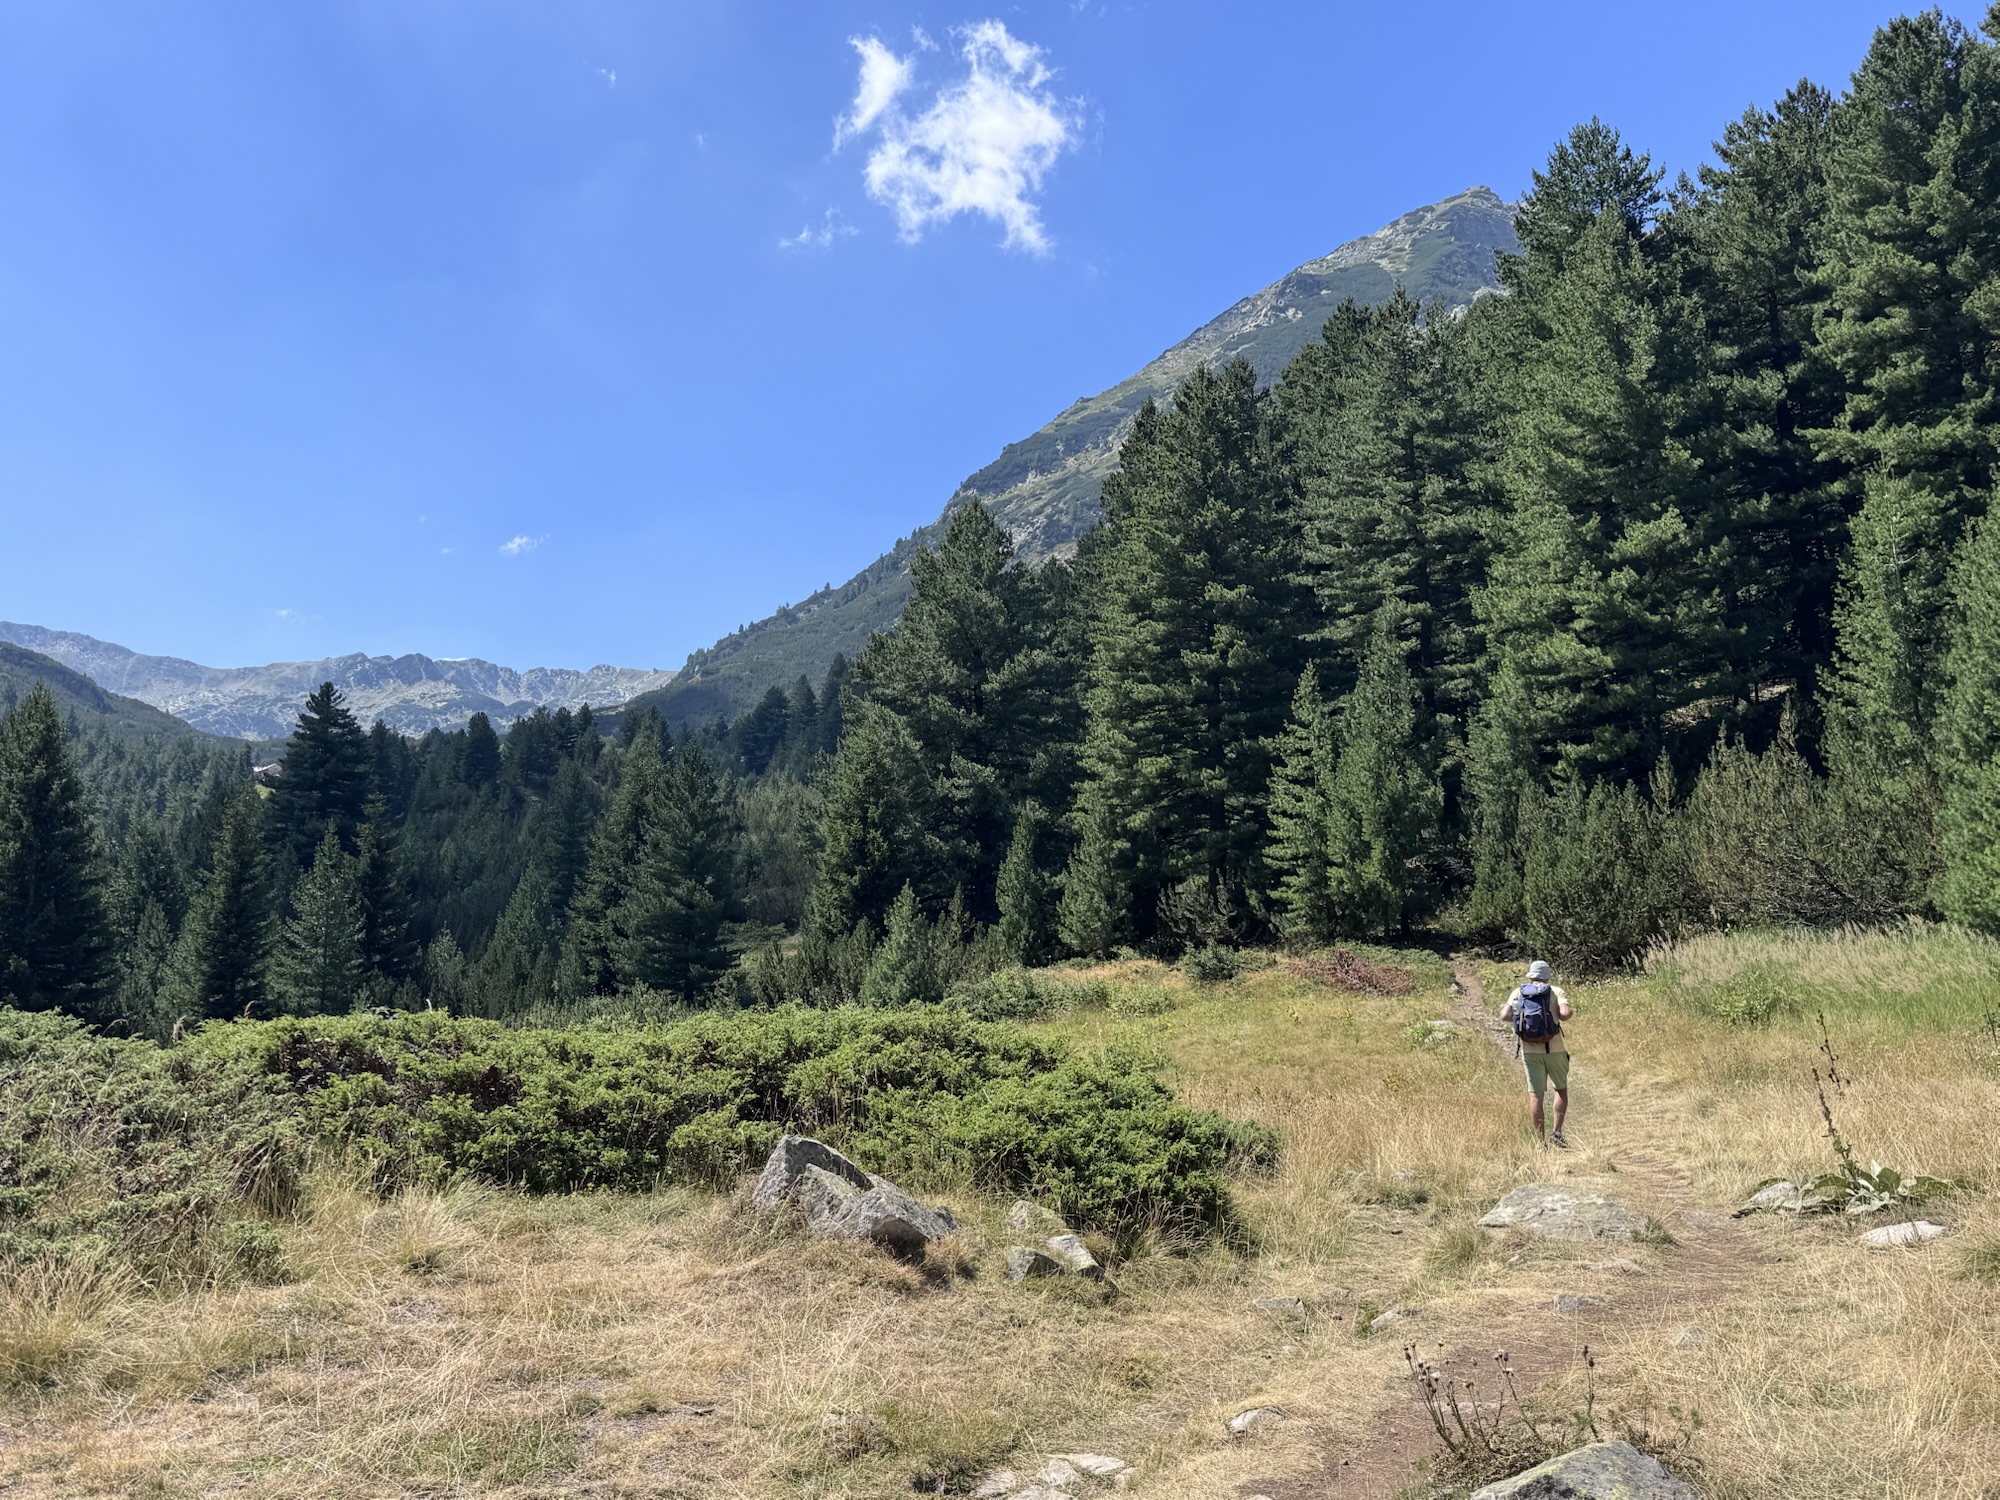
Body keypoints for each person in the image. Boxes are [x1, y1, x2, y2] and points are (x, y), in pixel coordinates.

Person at [1499, 959, 1573, 1148]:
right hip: (1555, 1049)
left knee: (1535, 1096)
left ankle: (1540, 1143)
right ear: (1547, 976)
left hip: (1530, 1051)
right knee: (1560, 1089)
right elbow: (1565, 1014)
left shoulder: (1518, 992)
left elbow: (1504, 1015)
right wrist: (1567, 1012)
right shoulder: (1556, 991)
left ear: (1531, 975)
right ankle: (1557, 1134)